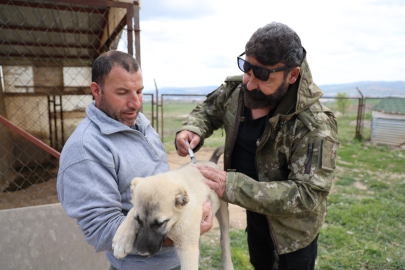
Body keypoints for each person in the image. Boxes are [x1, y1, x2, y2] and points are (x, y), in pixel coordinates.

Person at [175, 22, 339, 270]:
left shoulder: (313, 125)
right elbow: (209, 111)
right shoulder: (237, 91)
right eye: (247, 68)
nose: (250, 83)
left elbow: (307, 196)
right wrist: (193, 129)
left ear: (292, 75)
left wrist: (234, 186)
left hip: (292, 234)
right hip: (257, 217)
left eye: (262, 75)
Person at [57, 50, 213, 270]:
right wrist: (188, 229)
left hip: (177, 260)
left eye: (139, 91)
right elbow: (102, 230)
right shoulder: (85, 149)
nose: (135, 103)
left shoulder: (139, 123)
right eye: (122, 92)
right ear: (96, 91)